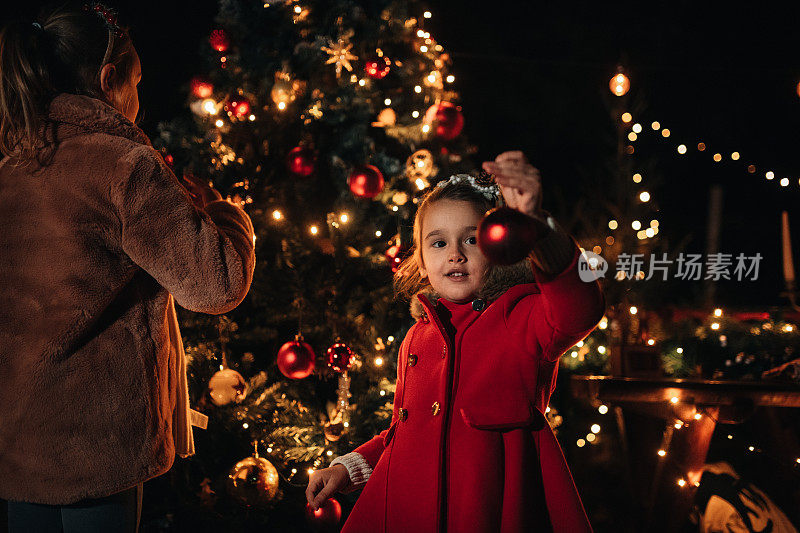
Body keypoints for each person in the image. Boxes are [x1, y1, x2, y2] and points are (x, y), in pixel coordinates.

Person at [0, 4, 255, 532]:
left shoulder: (12, 163)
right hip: (93, 444)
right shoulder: (124, 166)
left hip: (16, 437)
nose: (140, 98)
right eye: (137, 82)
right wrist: (227, 216)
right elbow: (216, 282)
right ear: (109, 80)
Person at [306, 151, 605, 532]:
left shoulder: (521, 316)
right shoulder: (418, 336)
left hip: (490, 509)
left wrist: (539, 231)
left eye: (471, 239)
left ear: (498, 248)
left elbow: (579, 309)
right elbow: (403, 433)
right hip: (406, 510)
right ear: (421, 259)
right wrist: (347, 469)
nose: (455, 255)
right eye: (438, 243)